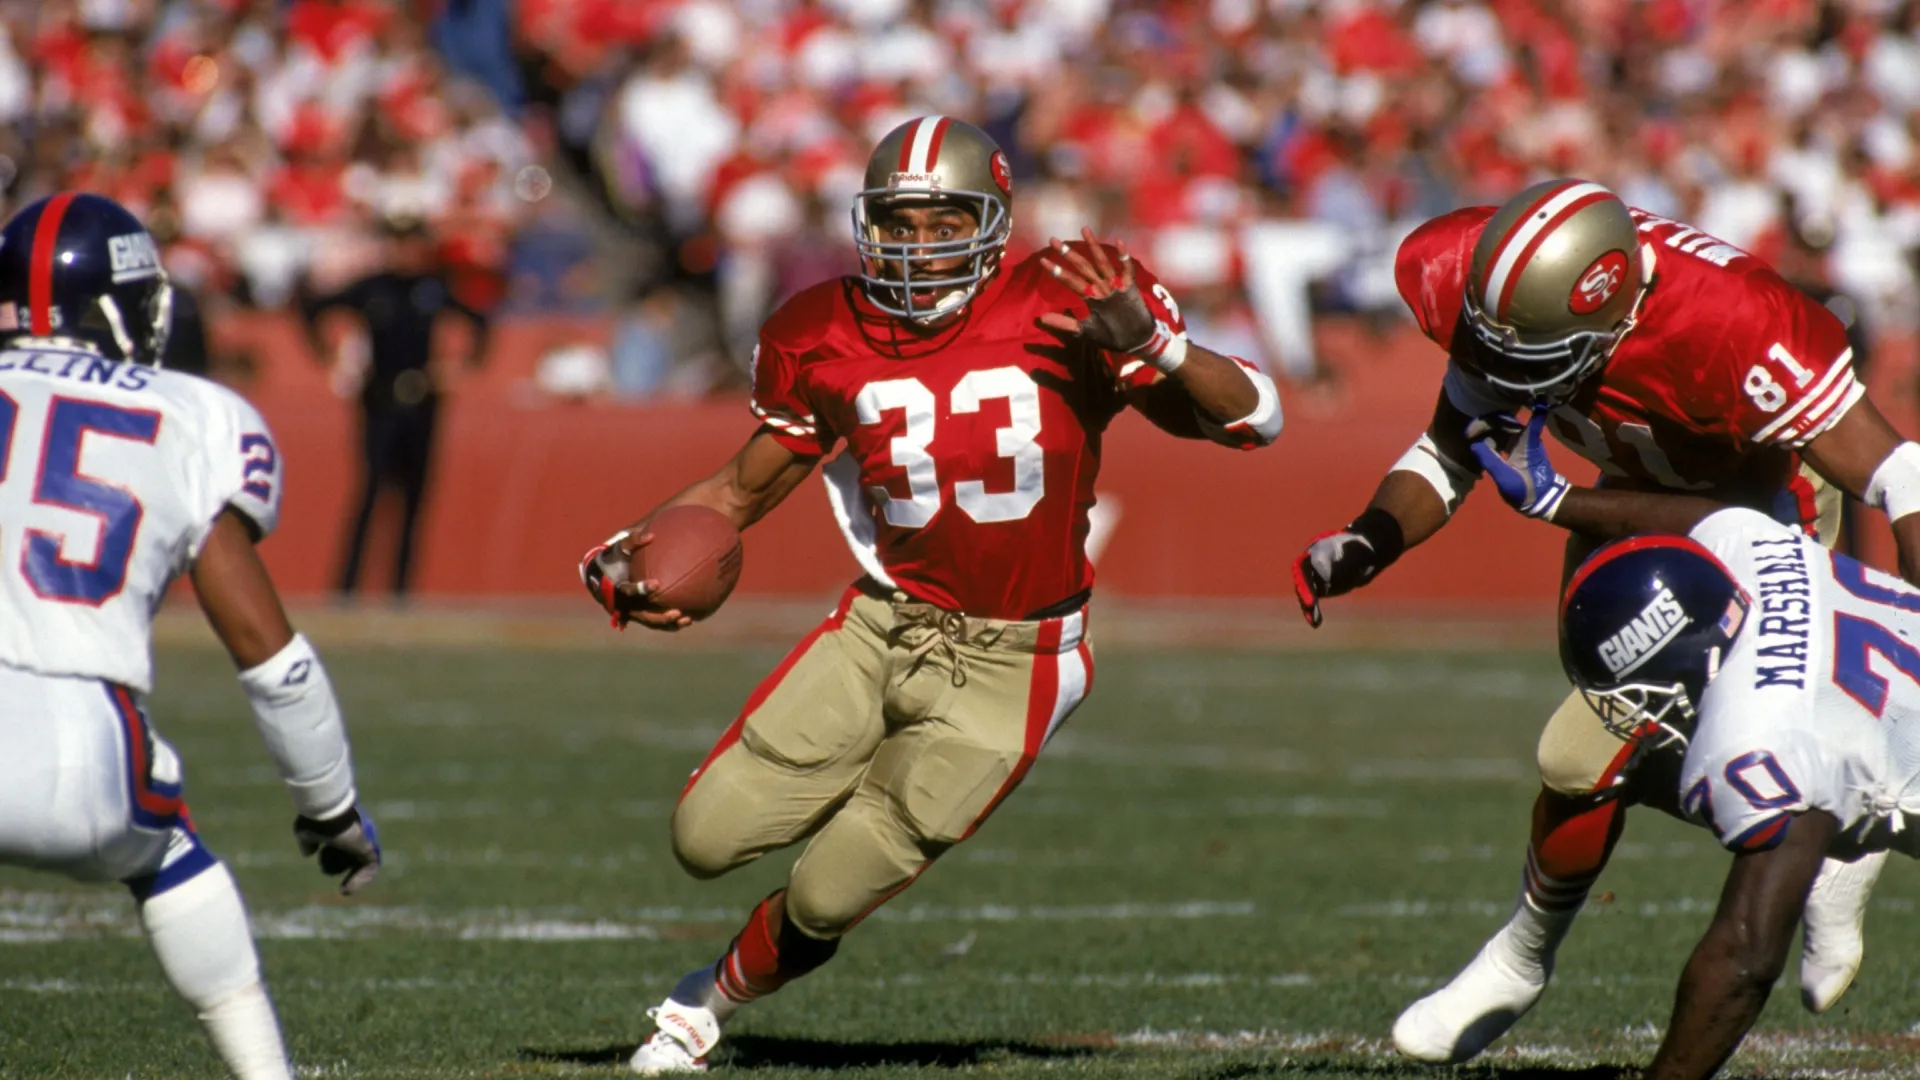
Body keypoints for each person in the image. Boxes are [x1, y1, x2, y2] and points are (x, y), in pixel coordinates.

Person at [578, 116, 1283, 1074]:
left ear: (991, 223)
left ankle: (711, 999)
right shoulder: (820, 328)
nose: (917, 246)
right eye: (898, 224)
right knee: (703, 837)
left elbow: (1254, 421)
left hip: (1017, 656)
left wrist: (1157, 344)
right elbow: (742, 488)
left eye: (943, 222)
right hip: (883, 620)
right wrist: (629, 549)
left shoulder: (1072, 295)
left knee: (828, 896)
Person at [1286, 179, 1920, 1062]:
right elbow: (1450, 446)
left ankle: (1838, 821)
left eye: (1529, 352)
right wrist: (1369, 539)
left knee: (1714, 747)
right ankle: (1526, 951)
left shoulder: (1740, 328)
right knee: (1582, 754)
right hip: (1607, 512)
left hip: (1763, 518)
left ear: (1615, 320)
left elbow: (1901, 474)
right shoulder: (1500, 287)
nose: (1497, 369)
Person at [0, 193, 381, 1078]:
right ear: (119, 305)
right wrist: (329, 808)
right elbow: (267, 652)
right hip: (73, 737)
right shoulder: (192, 413)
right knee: (169, 850)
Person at [1473, 411, 1920, 1079]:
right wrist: (1558, 500)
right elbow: (1692, 521)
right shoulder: (1757, 553)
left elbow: (1744, 957)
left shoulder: (1762, 731)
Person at [300, 216, 490, 599]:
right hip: (380, 400)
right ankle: (348, 588)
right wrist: (328, 355)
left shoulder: (433, 288)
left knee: (414, 498)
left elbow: (480, 322)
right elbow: (315, 308)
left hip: (421, 400)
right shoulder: (373, 287)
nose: (407, 253)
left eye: (412, 243)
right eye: (400, 243)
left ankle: (400, 591)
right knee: (370, 493)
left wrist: (457, 369)